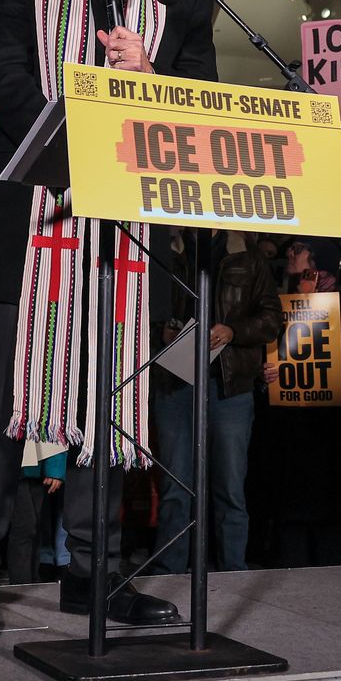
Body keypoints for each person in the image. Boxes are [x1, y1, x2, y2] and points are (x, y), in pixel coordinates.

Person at [0, 0, 218, 638]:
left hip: (129, 227)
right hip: (34, 207)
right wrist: (79, 141)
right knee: (4, 398)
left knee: (113, 399)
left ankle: (93, 575)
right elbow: (2, 68)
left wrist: (149, 76)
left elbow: (198, 84)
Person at [148, 230, 280, 574]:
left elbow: (272, 320)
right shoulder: (164, 250)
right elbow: (141, 310)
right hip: (175, 381)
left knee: (230, 488)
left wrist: (232, 331)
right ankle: (170, 573)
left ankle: (232, 570)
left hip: (229, 386)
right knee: (176, 485)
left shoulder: (248, 256)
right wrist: (160, 329)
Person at [257, 240, 341, 567]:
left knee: (326, 511)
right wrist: (266, 371)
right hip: (289, 428)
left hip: (327, 429)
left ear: (318, 263)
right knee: (292, 508)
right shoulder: (278, 307)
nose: (289, 254)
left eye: (299, 250)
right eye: (288, 248)